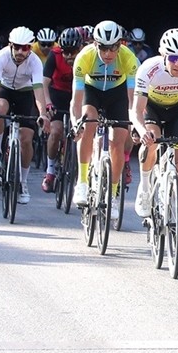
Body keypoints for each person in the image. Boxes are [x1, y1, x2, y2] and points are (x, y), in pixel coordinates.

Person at [131, 28, 178, 253]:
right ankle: (145, 189)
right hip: (152, 110)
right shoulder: (149, 69)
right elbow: (136, 110)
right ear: (163, 55)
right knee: (152, 143)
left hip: (176, 110)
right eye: (174, 58)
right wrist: (141, 129)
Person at [69, 19, 138, 223]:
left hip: (118, 94)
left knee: (119, 140)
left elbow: (133, 99)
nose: (108, 54)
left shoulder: (129, 58)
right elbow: (76, 99)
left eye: (113, 48)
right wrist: (75, 123)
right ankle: (82, 182)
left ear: (120, 45)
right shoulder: (84, 58)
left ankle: (113, 196)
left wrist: (134, 124)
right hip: (93, 92)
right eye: (103, 48)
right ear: (95, 44)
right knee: (88, 121)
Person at [0, 26, 51, 205]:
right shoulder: (1, 57)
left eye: (26, 48)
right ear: (10, 45)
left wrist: (43, 114)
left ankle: (23, 182)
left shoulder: (35, 61)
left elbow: (39, 91)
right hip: (5, 90)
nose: (21, 51)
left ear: (31, 48)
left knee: (26, 138)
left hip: (26, 93)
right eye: (17, 47)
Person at [41, 26, 82, 192]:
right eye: (66, 52)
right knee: (56, 131)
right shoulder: (54, 54)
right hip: (57, 94)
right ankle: (50, 171)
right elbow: (44, 83)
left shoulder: (86, 56)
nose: (69, 56)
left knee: (80, 132)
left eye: (73, 52)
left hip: (77, 95)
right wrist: (48, 103)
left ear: (80, 49)